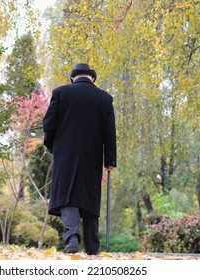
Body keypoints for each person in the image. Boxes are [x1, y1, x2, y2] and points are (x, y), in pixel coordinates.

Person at [42, 63, 117, 255]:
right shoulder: (104, 99)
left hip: (65, 153)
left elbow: (48, 124)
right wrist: (110, 160)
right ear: (92, 78)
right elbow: (110, 133)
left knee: (67, 197)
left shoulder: (60, 93)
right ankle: (92, 247)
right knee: (89, 197)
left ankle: (72, 238)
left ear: (73, 78)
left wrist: (52, 145)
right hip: (92, 156)